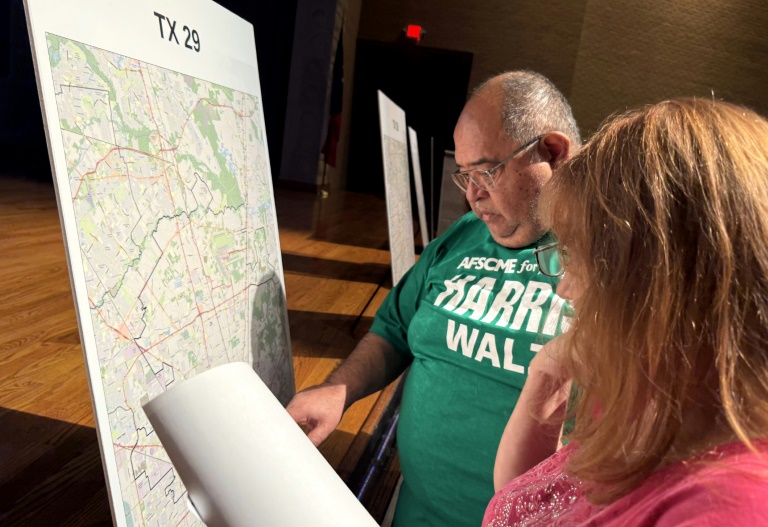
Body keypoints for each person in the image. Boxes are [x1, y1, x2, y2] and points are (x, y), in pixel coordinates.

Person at [286, 70, 580, 526]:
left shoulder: (604, 262)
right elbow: (394, 330)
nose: (474, 196)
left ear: (554, 153)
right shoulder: (463, 235)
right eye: (465, 176)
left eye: (487, 171)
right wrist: (337, 391)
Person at [483, 97, 768, 526]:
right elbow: (522, 502)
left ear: (663, 282)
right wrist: (545, 373)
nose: (564, 288)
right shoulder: (655, 393)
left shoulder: (727, 508)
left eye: (577, 256)